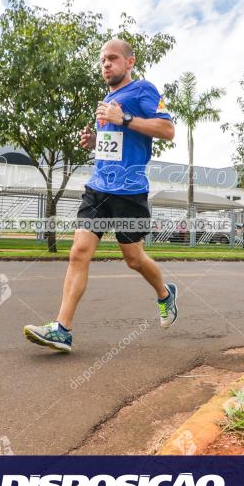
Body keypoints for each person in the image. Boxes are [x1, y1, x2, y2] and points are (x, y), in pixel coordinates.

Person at [23, 39, 178, 352]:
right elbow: (118, 142)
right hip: (98, 189)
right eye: (102, 60)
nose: (106, 64)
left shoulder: (143, 90)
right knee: (79, 251)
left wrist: (126, 119)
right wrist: (95, 140)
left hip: (130, 192)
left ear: (129, 62)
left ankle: (165, 293)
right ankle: (62, 330)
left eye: (113, 58)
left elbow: (167, 130)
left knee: (134, 260)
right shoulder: (107, 100)